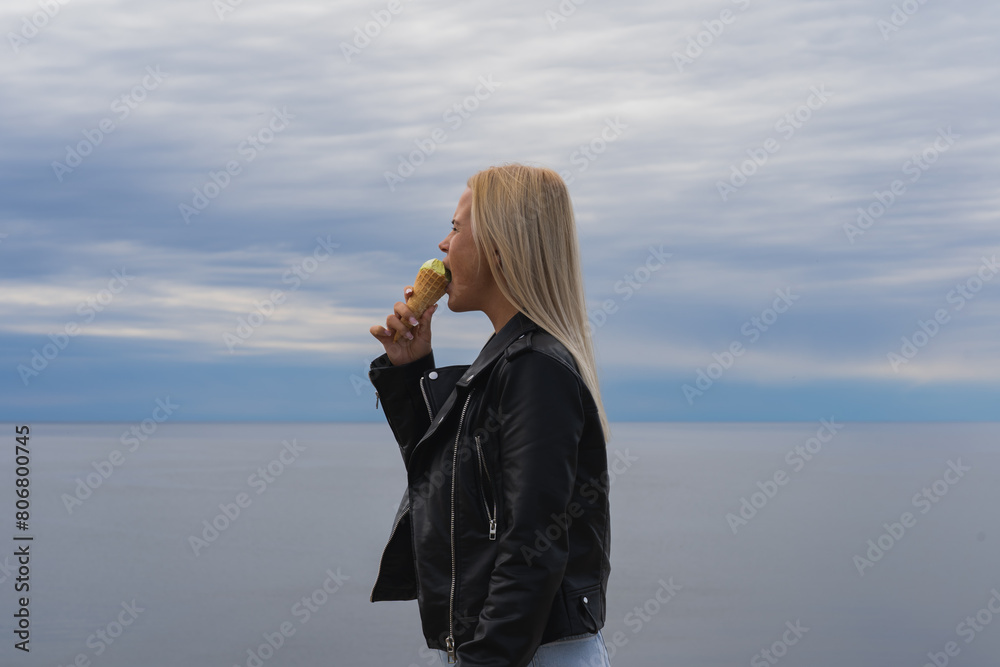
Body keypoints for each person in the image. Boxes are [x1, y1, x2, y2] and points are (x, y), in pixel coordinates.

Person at [367, 164, 612, 666]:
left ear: (500, 247)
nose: (443, 244)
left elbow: (532, 549)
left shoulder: (534, 367)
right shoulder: (508, 362)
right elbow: (447, 487)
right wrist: (412, 373)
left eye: (456, 228)